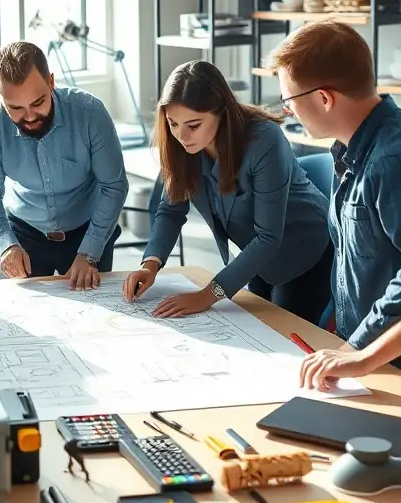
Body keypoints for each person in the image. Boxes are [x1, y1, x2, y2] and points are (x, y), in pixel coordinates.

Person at [122, 60, 333, 323]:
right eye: (173, 124)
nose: (182, 136)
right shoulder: (181, 144)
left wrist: (206, 295)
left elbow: (269, 237)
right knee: (255, 331)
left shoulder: (264, 139)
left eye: (193, 125)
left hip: (304, 251)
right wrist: (150, 264)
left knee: (284, 336)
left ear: (222, 112)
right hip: (255, 256)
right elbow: (171, 209)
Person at [268, 19, 401, 351]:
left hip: (383, 362)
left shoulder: (389, 162)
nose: (288, 111)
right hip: (357, 350)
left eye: (290, 101)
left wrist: (359, 355)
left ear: (324, 99)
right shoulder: (348, 153)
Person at [0, 41, 128, 289]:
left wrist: (90, 253)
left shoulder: (90, 113)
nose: (30, 116)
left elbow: (113, 186)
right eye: (15, 108)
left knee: (92, 318)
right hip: (24, 233)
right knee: (22, 319)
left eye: (38, 103)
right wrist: (6, 245)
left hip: (89, 230)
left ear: (51, 82)